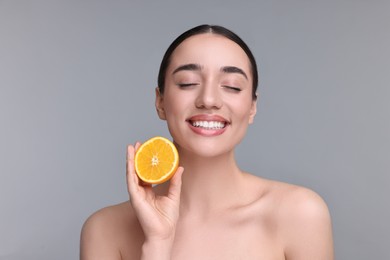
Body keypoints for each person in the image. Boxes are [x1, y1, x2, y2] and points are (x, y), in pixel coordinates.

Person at [80, 24, 334, 260]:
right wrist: (157, 243)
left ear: (252, 107)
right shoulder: (104, 230)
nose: (209, 99)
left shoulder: (300, 214)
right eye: (188, 83)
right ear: (160, 102)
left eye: (232, 86)